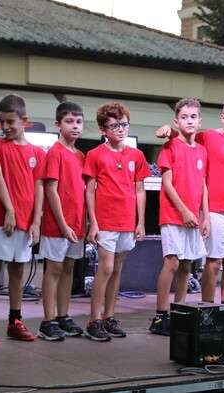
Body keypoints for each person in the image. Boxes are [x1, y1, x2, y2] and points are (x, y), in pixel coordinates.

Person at [156, 96, 224, 332]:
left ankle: (210, 311)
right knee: (185, 263)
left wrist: (203, 215)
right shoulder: (203, 138)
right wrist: (167, 131)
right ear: (221, 117)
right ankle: (165, 315)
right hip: (181, 214)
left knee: (194, 265)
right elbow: (174, 143)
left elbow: (203, 183)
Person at [84, 101, 150, 341]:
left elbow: (140, 189)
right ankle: (94, 320)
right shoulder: (95, 155)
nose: (120, 129)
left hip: (126, 221)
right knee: (106, 268)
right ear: (103, 129)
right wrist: (93, 222)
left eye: (123, 124)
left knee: (117, 270)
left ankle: (109, 317)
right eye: (114, 126)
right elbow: (89, 190)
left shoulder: (137, 155)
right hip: (105, 221)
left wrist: (141, 221)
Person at [0, 94, 45, 347]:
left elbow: (39, 187)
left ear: (25, 121)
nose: (6, 127)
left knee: (18, 271)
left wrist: (36, 221)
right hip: (1, 218)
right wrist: (9, 210)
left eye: (10, 121)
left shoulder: (37, 153)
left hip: (25, 221)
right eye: (2, 122)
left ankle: (15, 321)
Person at [149, 98, 209, 336]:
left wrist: (206, 216)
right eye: (184, 117)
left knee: (187, 265)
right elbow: (167, 183)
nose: (189, 121)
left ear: (199, 120)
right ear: (177, 120)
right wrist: (184, 210)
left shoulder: (202, 150)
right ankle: (160, 316)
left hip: (194, 217)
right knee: (172, 262)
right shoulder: (170, 147)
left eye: (193, 117)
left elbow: (203, 184)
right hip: (173, 215)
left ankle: (179, 311)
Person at [37, 102, 85, 341]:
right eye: (69, 121)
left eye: (78, 122)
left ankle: (63, 317)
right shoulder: (55, 152)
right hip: (57, 226)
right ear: (58, 125)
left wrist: (82, 223)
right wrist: (64, 224)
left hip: (77, 225)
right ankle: (47, 321)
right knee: (54, 269)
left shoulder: (80, 156)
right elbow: (51, 190)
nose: (75, 126)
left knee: (69, 269)